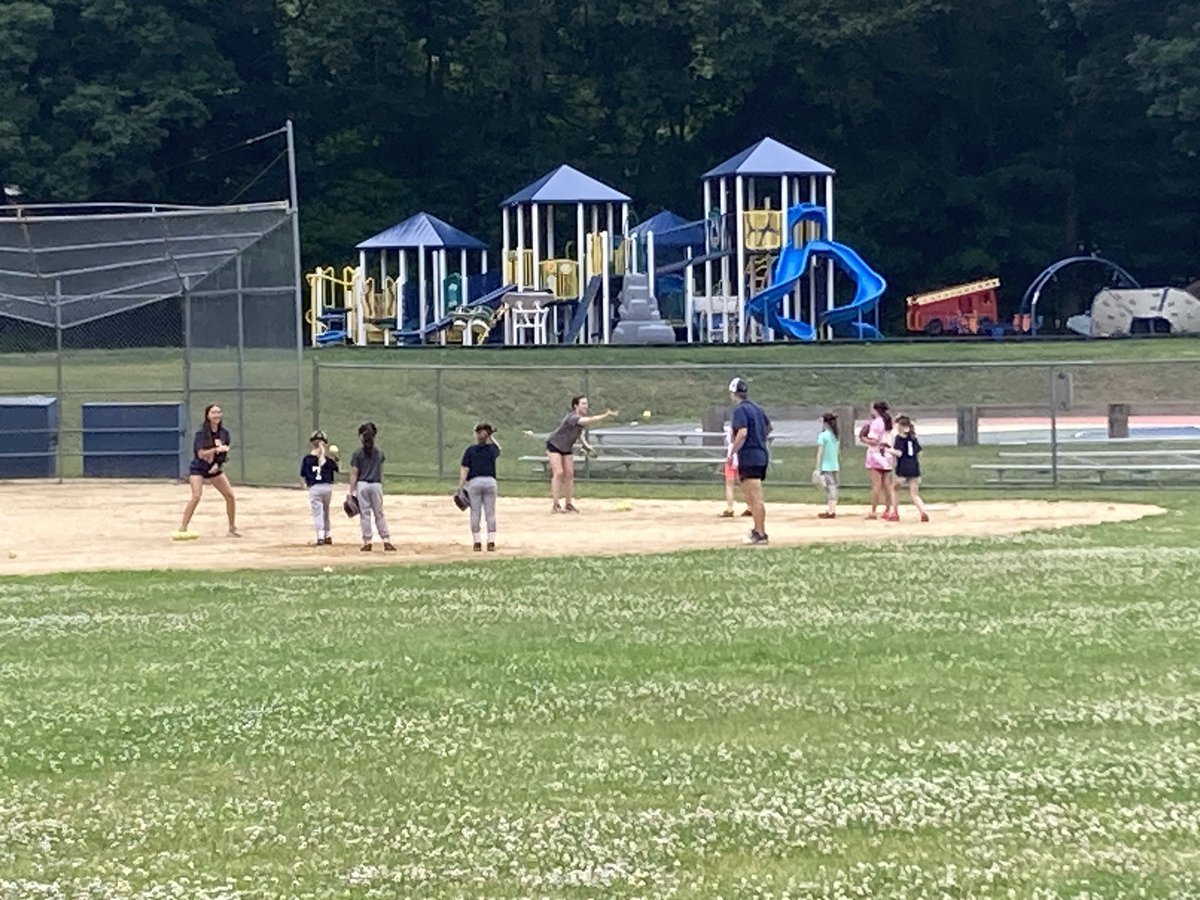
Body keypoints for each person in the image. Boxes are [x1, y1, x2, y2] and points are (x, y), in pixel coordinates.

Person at [544, 395, 617, 513]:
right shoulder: (572, 417)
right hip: (554, 445)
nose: (586, 406)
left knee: (569, 474)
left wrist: (586, 446)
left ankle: (568, 504)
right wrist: (605, 415)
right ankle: (556, 505)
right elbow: (589, 420)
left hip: (566, 447)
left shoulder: (580, 420)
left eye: (586, 403)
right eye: (583, 404)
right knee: (559, 473)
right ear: (576, 406)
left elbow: (579, 434)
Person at [177, 403, 239, 538]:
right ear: (207, 415)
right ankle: (183, 527)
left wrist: (217, 464)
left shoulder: (224, 433)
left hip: (213, 469)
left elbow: (223, 454)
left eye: (219, 412)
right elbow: (201, 453)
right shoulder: (201, 434)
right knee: (196, 496)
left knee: (229, 495)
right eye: (213, 412)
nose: (217, 415)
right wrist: (215, 450)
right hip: (198, 468)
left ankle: (232, 528)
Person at [727, 377, 772, 544]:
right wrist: (759, 438)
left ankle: (760, 533)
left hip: (749, 456)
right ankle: (758, 529)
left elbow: (743, 432)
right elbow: (769, 427)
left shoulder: (740, 410)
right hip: (761, 454)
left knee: (754, 497)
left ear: (733, 394)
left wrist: (733, 450)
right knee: (752, 496)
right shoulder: (757, 409)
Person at [348, 422, 396, 552]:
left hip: (362, 485)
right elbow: (381, 471)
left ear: (361, 437)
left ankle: (367, 542)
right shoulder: (379, 453)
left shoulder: (357, 453)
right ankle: (386, 540)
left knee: (365, 514)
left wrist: (351, 491)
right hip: (376, 484)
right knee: (379, 513)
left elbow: (354, 473)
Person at [459, 422, 501, 551]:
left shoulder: (470, 450)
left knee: (475, 513)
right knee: (490, 513)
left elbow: (465, 469)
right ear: (488, 436)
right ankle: (491, 542)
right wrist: (490, 436)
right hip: (490, 482)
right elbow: (499, 448)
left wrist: (461, 486)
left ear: (476, 435)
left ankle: (477, 542)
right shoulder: (492, 449)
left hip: (474, 482)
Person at [858, 400, 898, 521]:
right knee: (887, 485)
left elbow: (874, 441)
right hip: (887, 455)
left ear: (876, 410)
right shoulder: (889, 421)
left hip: (876, 455)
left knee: (876, 485)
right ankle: (888, 510)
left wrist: (863, 438)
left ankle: (873, 511)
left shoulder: (876, 422)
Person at [300, 429, 339, 545]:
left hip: (315, 488)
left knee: (318, 513)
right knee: (326, 512)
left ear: (312, 443)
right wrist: (335, 457)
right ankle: (328, 535)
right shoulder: (327, 460)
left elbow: (303, 474)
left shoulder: (307, 459)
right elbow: (337, 468)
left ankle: (320, 536)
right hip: (327, 488)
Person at [892, 415, 929, 522]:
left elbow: (899, 453)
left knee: (895, 489)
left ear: (901, 426)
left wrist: (888, 450)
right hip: (914, 467)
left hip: (903, 468)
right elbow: (919, 452)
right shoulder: (913, 438)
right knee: (914, 494)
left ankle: (895, 513)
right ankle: (923, 512)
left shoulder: (899, 438)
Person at [719, 422, 751, 518]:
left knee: (729, 485)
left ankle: (730, 508)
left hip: (732, 458)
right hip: (743, 457)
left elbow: (730, 441)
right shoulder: (746, 430)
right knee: (744, 485)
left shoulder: (731, 429)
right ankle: (750, 507)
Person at [814, 412, 840, 519]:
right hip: (834, 465)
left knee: (830, 488)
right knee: (833, 487)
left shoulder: (823, 436)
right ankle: (831, 509)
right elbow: (837, 452)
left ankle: (831, 511)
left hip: (826, 466)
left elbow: (820, 453)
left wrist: (817, 468)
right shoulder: (835, 436)